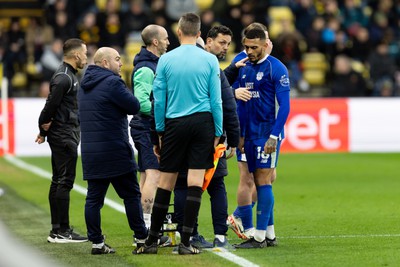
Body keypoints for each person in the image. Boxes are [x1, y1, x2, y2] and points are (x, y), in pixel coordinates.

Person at [133, 12, 223, 255]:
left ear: (179, 32)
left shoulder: (165, 60)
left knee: (166, 181)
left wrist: (158, 133)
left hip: (173, 123)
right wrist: (218, 131)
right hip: (202, 122)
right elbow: (216, 100)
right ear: (199, 33)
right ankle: (186, 242)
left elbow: (158, 101)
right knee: (195, 181)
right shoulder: (209, 60)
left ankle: (151, 241)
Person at [173, 26, 239, 250]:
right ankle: (220, 235)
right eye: (222, 43)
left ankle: (188, 236)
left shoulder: (174, 62)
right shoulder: (211, 66)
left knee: (183, 184)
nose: (225, 48)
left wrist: (160, 134)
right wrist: (230, 138)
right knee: (215, 185)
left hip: (179, 133)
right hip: (209, 135)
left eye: (228, 44)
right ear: (207, 41)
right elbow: (226, 105)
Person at [78, 47, 148, 255]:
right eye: (117, 60)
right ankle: (141, 237)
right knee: (131, 195)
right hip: (115, 150)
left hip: (91, 151)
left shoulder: (84, 85)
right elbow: (134, 106)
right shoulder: (113, 82)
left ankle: (97, 243)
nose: (121, 64)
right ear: (105, 63)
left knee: (93, 199)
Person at [232, 27, 290, 249]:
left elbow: (284, 106)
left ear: (266, 44)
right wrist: (239, 135)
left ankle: (258, 238)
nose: (249, 51)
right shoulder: (243, 66)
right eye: (246, 46)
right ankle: (270, 235)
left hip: (267, 134)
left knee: (264, 181)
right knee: (257, 181)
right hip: (248, 135)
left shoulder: (277, 68)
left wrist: (274, 136)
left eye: (254, 47)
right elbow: (239, 104)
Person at [224, 23, 278, 244]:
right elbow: (223, 87)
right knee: (248, 179)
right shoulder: (242, 60)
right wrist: (234, 94)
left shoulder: (265, 61)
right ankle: (246, 226)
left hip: (263, 128)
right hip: (246, 128)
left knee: (268, 178)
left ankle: (256, 225)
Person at [35, 38, 88, 244]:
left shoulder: (69, 75)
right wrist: (42, 127)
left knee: (58, 180)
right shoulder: (64, 78)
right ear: (76, 55)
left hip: (65, 134)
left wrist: (45, 129)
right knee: (64, 181)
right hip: (64, 136)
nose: (86, 56)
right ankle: (62, 231)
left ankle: (57, 229)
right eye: (84, 53)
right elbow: (49, 106)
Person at [129, 24, 169, 230]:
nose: (168, 42)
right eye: (165, 38)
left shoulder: (152, 64)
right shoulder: (146, 68)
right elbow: (141, 102)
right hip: (145, 125)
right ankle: (146, 224)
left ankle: (143, 222)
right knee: (154, 174)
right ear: (155, 42)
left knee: (146, 174)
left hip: (144, 125)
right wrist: (162, 111)